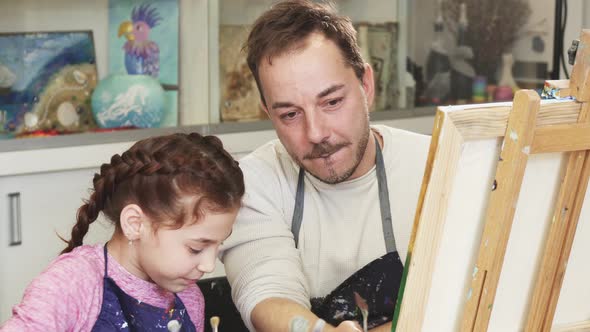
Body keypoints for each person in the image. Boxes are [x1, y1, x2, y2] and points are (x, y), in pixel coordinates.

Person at [220, 1, 431, 331]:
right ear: (267, 112)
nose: (316, 133)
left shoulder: (437, 168)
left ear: (366, 85)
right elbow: (267, 294)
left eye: (332, 102)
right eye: (290, 114)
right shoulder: (254, 182)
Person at [0, 133, 244, 331]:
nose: (209, 265)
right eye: (197, 248)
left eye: (218, 245)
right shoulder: (75, 282)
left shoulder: (189, 298)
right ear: (135, 224)